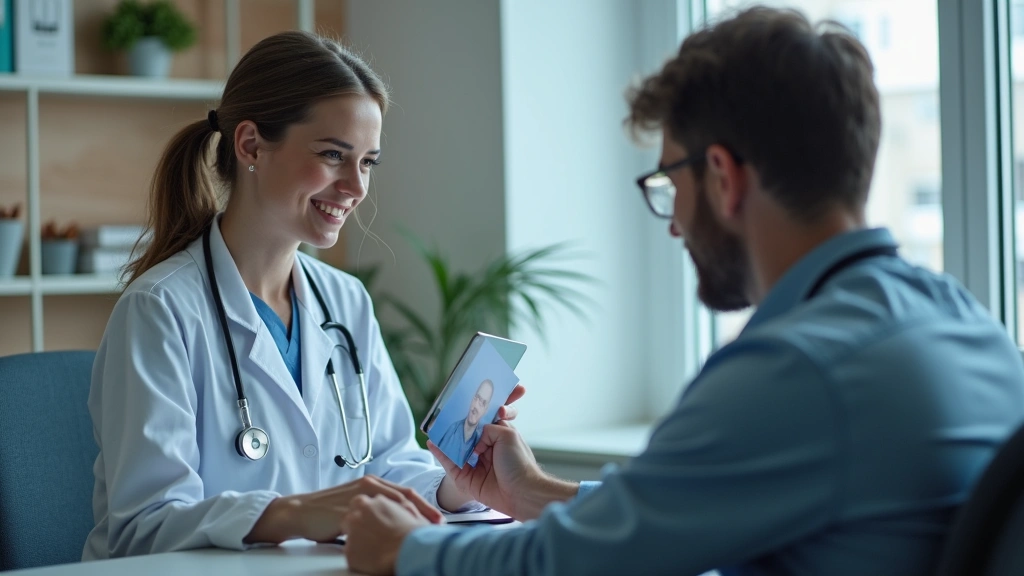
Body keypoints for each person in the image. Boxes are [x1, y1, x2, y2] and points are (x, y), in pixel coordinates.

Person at [338, 7, 1024, 576]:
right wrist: (534, 492)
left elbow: (573, 566)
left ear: (723, 177)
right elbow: (679, 509)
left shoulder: (798, 370)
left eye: (670, 186)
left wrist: (409, 550)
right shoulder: (964, 323)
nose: (673, 228)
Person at [82, 31, 523, 560]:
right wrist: (297, 512)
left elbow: (389, 465)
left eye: (367, 162)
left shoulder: (346, 301)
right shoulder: (161, 310)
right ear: (250, 145)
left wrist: (458, 481)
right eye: (333, 155)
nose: (356, 187)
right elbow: (144, 526)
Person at [433, 379, 494, 466]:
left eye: (483, 403)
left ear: (486, 410)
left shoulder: (480, 447)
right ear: (472, 398)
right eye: (477, 398)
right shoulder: (452, 431)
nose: (476, 406)